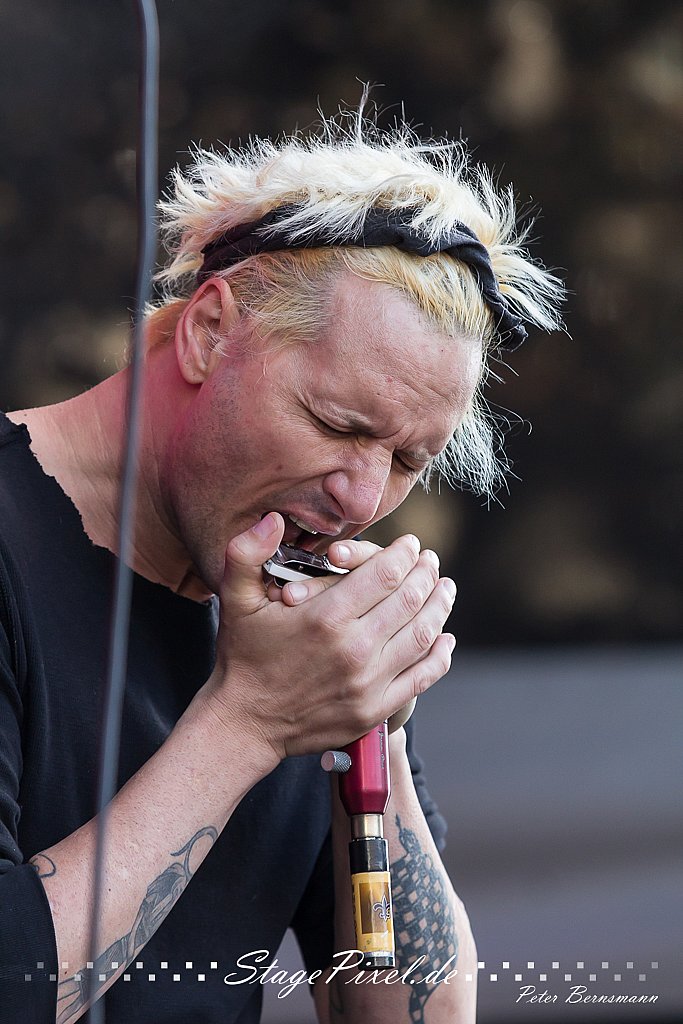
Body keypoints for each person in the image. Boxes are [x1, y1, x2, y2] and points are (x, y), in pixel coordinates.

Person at [0, 112, 562, 1024]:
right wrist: (251, 722)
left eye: (408, 460)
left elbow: (415, 1016)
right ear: (208, 331)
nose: (360, 498)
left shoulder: (302, 626)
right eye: (337, 424)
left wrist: (373, 730)